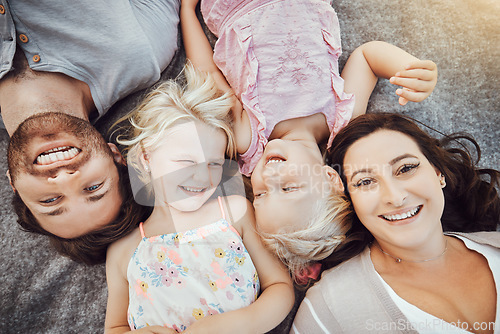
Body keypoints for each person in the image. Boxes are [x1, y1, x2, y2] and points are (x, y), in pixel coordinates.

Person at [180, 0, 438, 275]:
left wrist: (187, 13)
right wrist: (408, 69)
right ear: (330, 178)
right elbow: (367, 58)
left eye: (261, 193)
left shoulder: (250, 138)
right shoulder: (343, 123)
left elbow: (207, 73)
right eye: (288, 188)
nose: (269, 177)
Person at [104, 63, 294, 333]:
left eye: (214, 164)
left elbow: (281, 288)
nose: (202, 178)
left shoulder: (234, 212)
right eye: (185, 162)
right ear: (146, 157)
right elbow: (114, 327)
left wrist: (238, 324)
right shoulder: (125, 249)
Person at [1, 0, 180, 262]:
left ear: (13, 185)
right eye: (93, 187)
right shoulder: (143, 54)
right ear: (115, 156)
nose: (64, 179)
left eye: (50, 201)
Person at [291, 113, 500, 333]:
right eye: (365, 181)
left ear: (438, 173)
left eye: (406, 168)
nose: (395, 197)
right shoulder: (327, 308)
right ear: (351, 201)